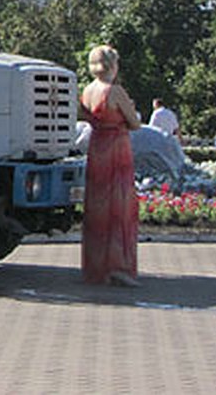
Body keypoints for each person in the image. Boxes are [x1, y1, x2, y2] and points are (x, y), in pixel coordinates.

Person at [79, 44, 142, 287]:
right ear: (112, 65)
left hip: (97, 147)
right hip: (117, 147)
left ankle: (96, 267)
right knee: (120, 207)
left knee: (97, 207)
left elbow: (85, 117)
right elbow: (134, 123)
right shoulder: (115, 91)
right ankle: (119, 266)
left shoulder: (87, 90)